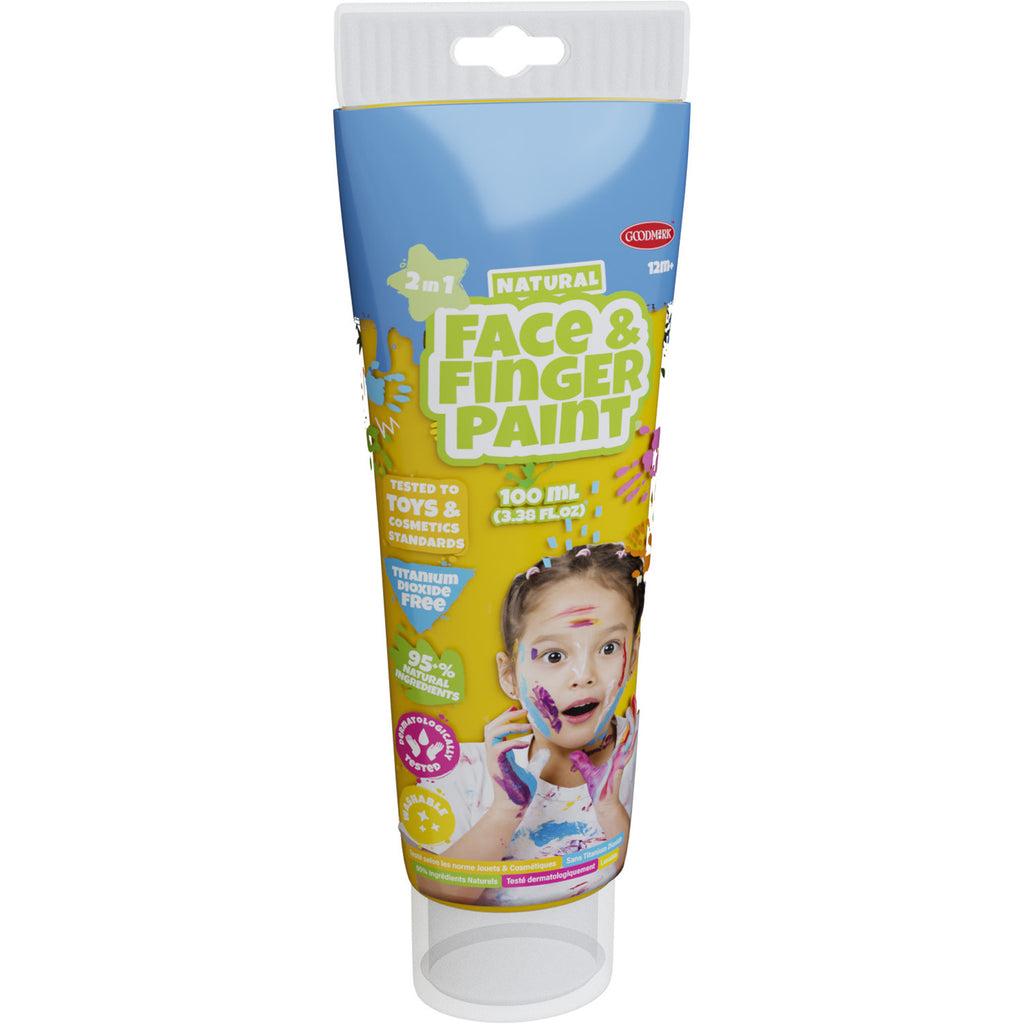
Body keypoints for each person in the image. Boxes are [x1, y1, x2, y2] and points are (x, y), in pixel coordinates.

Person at [412, 542, 643, 907]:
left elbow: (620, 866)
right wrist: (505, 810)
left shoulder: (631, 751)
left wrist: (609, 807)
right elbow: (439, 889)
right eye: (554, 655)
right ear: (510, 676)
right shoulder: (468, 769)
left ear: (634, 654)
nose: (583, 675)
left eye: (609, 648)